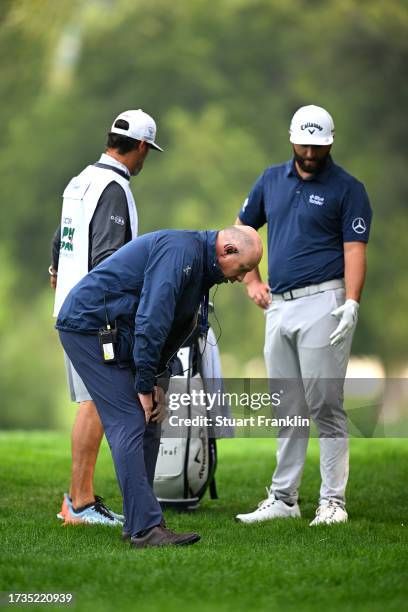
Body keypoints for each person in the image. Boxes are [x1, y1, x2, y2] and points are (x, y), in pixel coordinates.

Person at [56, 226, 262, 547]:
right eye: (244, 269)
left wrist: (156, 382)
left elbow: (174, 328)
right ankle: (144, 529)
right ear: (228, 251)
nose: (241, 278)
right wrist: (143, 382)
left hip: (116, 330)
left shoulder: (202, 266)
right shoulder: (181, 251)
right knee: (128, 418)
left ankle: (142, 521)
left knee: (150, 418)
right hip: (88, 325)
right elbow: (153, 319)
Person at [234, 105, 372, 526]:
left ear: (330, 142)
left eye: (319, 144)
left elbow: (354, 250)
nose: (310, 151)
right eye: (304, 142)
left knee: (325, 403)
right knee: (287, 404)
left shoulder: (348, 188)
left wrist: (351, 301)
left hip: (324, 301)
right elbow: (241, 233)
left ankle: (333, 501)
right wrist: (251, 281)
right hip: (280, 304)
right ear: (292, 138)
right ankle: (284, 498)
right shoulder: (271, 179)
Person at [50, 109, 163, 526]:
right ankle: (79, 504)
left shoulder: (79, 179)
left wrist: (62, 287)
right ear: (141, 147)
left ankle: (78, 501)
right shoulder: (114, 187)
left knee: (91, 401)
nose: (144, 159)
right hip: (95, 315)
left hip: (69, 305)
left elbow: (60, 243)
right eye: (146, 151)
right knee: (100, 402)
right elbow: (110, 262)